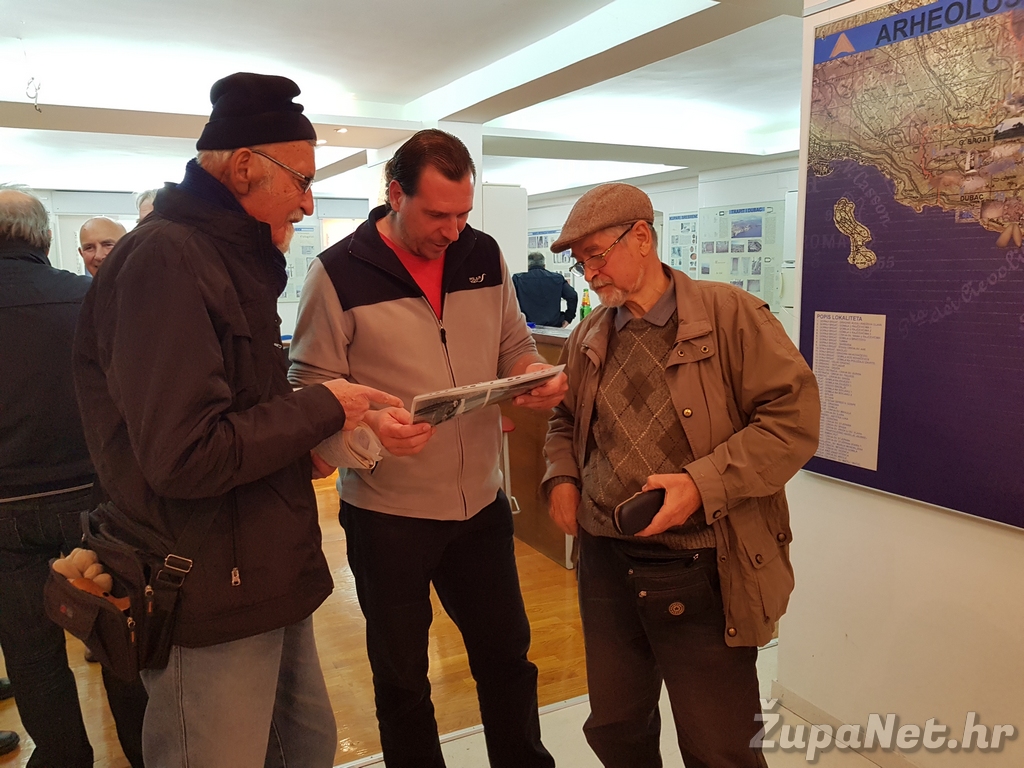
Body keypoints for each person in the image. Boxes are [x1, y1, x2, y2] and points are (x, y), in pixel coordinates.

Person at [73, 72, 402, 768]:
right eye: (302, 181)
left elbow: (239, 416)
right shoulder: (164, 260)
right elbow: (185, 455)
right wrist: (325, 404)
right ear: (245, 166)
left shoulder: (224, 260)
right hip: (203, 582)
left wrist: (316, 441)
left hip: (262, 567)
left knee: (304, 746)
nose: (308, 203)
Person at [288, 128, 565, 768]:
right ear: (395, 194)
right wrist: (367, 429)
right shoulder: (336, 272)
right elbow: (309, 388)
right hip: (387, 515)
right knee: (403, 678)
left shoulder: (483, 254)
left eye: (463, 213)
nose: (453, 229)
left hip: (481, 509)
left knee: (507, 659)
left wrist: (532, 375)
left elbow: (514, 344)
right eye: (438, 214)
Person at [542, 183, 820, 768]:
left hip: (701, 567)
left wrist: (700, 485)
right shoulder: (591, 333)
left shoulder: (731, 316)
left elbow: (792, 422)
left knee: (720, 745)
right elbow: (565, 419)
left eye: (597, 255)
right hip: (605, 561)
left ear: (642, 237)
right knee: (616, 727)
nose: (588, 273)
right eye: (580, 262)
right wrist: (561, 476)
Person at [0, 187, 148, 767]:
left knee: (30, 653)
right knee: (116, 636)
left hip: (5, 507)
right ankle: (143, 754)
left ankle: (63, 758)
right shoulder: (91, 298)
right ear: (45, 238)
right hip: (96, 495)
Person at [512, 250, 578, 327]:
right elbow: (572, 296)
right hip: (553, 328)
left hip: (527, 327)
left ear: (528, 266)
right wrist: (568, 318)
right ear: (544, 265)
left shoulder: (518, 279)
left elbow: (508, 301)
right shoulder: (557, 278)